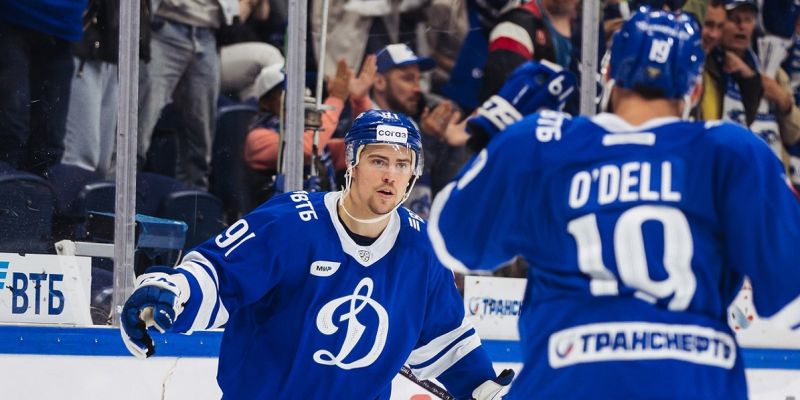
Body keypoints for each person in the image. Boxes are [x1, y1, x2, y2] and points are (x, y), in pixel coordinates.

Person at [429, 7, 800, 399]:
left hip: (565, 384)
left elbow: (454, 242)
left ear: (608, 75)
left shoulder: (543, 140)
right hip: (694, 385)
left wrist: (498, 131)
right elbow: (791, 303)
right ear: (694, 91)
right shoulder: (732, 151)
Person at [119, 109, 513, 399]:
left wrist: (481, 386)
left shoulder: (422, 248)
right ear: (352, 163)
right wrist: (172, 290)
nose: (390, 175)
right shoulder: (290, 222)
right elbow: (218, 276)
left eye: (401, 164)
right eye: (378, 161)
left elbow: (446, 338)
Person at [0, 0, 85, 175]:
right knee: (12, 131)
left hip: (62, 28)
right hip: (14, 18)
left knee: (49, 143)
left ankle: (36, 191)